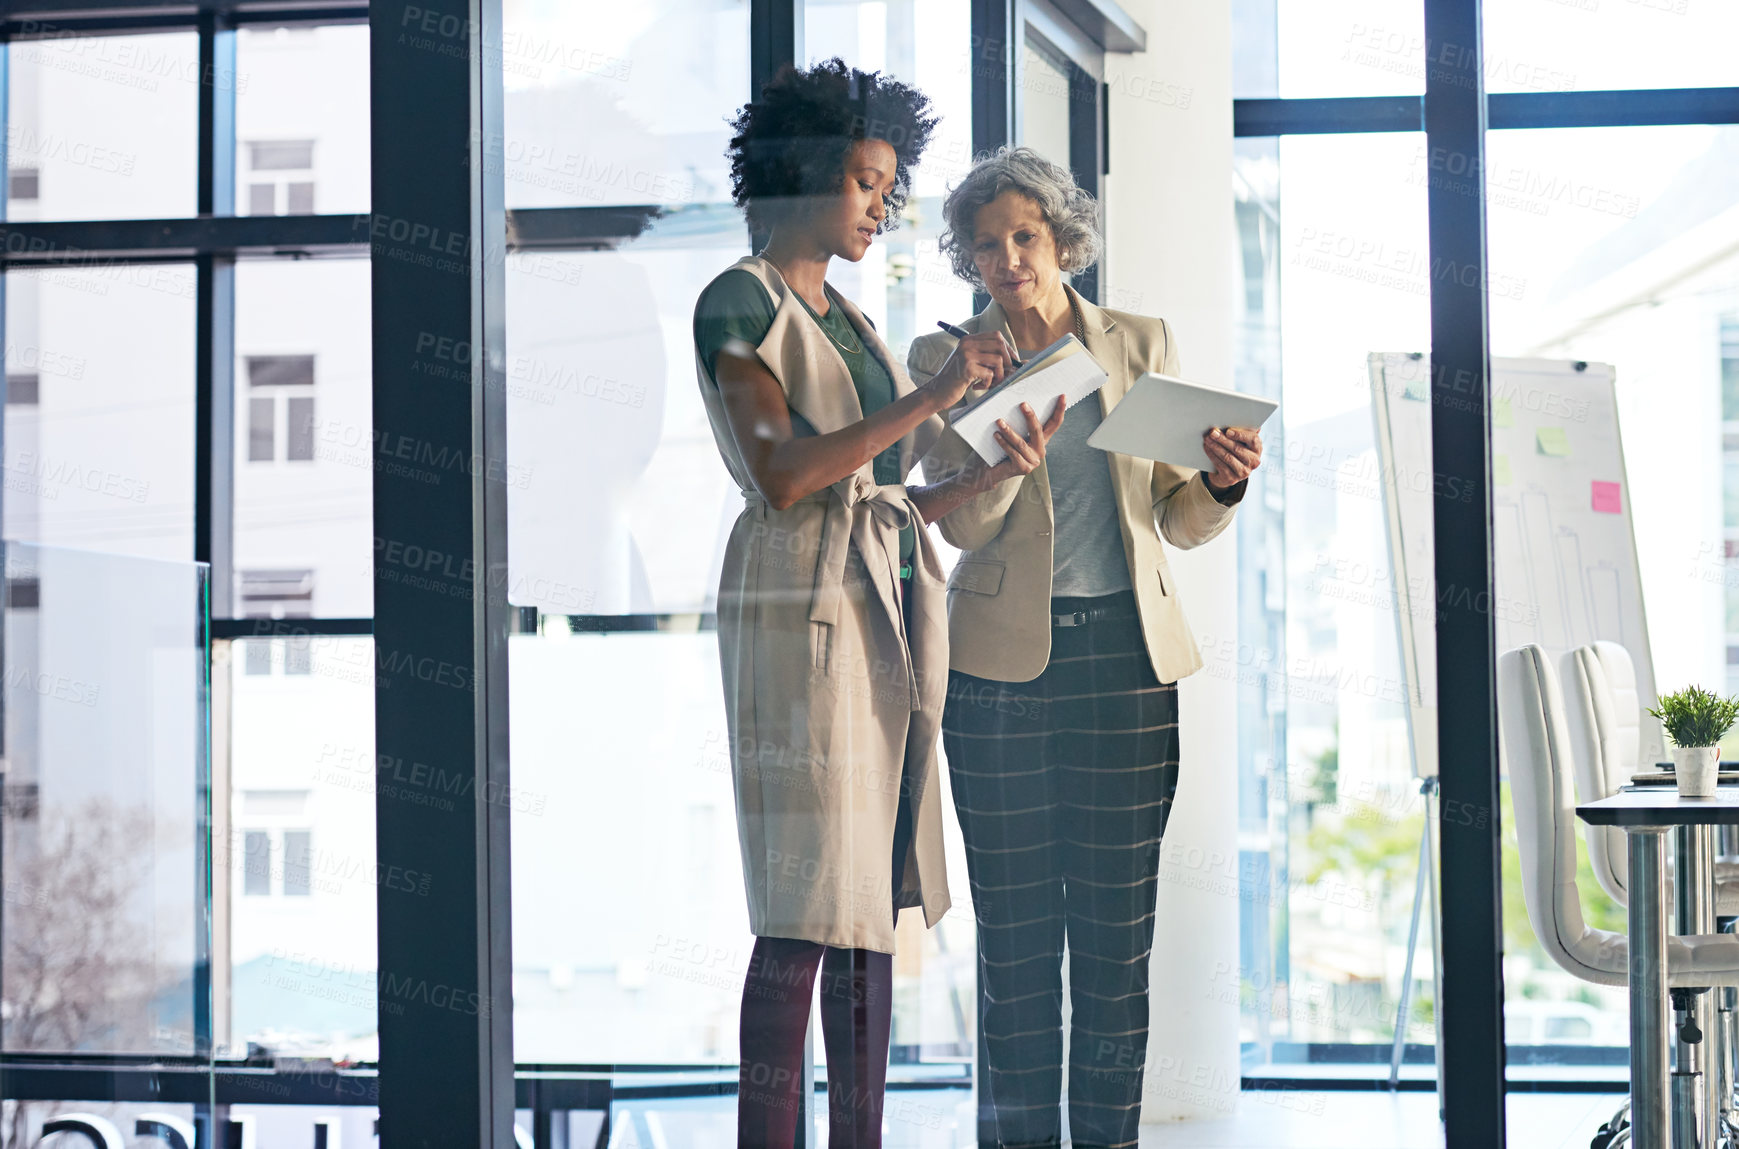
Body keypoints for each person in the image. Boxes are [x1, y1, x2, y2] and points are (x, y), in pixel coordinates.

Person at [693, 62, 1053, 1149]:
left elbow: (890, 488)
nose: (878, 206)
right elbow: (783, 475)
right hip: (799, 594)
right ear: (800, 174)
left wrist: (981, 476)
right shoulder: (738, 296)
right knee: (804, 900)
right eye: (862, 180)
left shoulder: (845, 314)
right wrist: (939, 394)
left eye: (887, 186)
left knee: (870, 904)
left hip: (883, 590)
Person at [907, 146, 1264, 1149]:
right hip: (997, 677)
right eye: (985, 246)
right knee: (1015, 949)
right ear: (967, 260)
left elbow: (1172, 519)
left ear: (1061, 238)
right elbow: (959, 531)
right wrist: (1006, 466)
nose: (1008, 260)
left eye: (1024, 236)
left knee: (1115, 947)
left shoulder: (1136, 342)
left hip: (1125, 665)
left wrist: (1224, 483)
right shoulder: (941, 360)